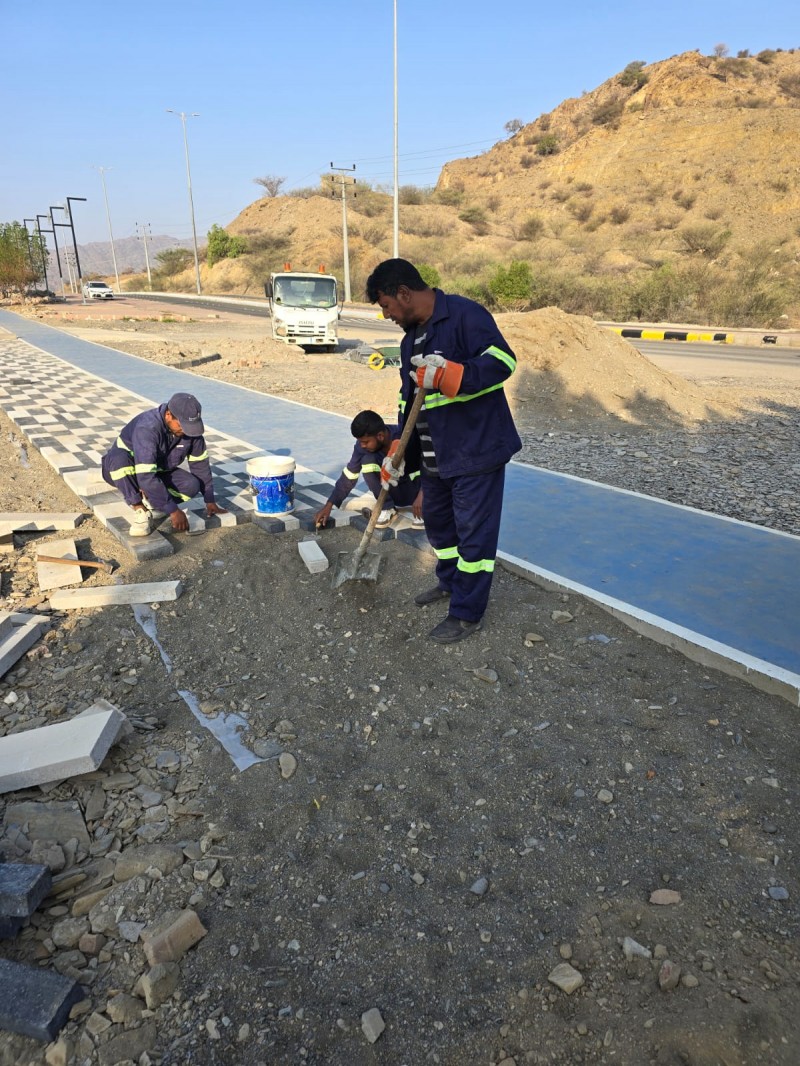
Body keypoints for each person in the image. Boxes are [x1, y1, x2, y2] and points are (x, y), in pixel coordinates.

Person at [365, 259, 521, 644]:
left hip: (475, 452)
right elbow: (408, 401)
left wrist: (452, 375)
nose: (386, 315)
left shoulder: (465, 315)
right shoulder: (409, 340)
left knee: (474, 538)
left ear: (404, 292)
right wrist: (398, 446)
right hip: (437, 458)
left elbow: (503, 362)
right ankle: (450, 583)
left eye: (386, 305)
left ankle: (467, 614)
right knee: (438, 525)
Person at [101, 392, 228, 537]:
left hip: (155, 470)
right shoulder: (147, 428)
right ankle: (139, 508)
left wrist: (209, 500)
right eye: (182, 425)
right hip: (126, 469)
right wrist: (173, 511)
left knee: (192, 485)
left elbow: (201, 466)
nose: (186, 431)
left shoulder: (192, 431)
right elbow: (146, 475)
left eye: (191, 426)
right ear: (168, 415)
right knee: (120, 460)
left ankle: (154, 502)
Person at [314, 409, 423, 530]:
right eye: (360, 442)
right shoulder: (363, 447)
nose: (362, 445)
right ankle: (387, 508)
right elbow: (350, 475)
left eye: (365, 442)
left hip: (420, 492)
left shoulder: (405, 437)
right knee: (367, 461)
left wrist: (423, 495)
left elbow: (432, 467)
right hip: (394, 494)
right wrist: (329, 505)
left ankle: (428, 507)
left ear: (380, 436)